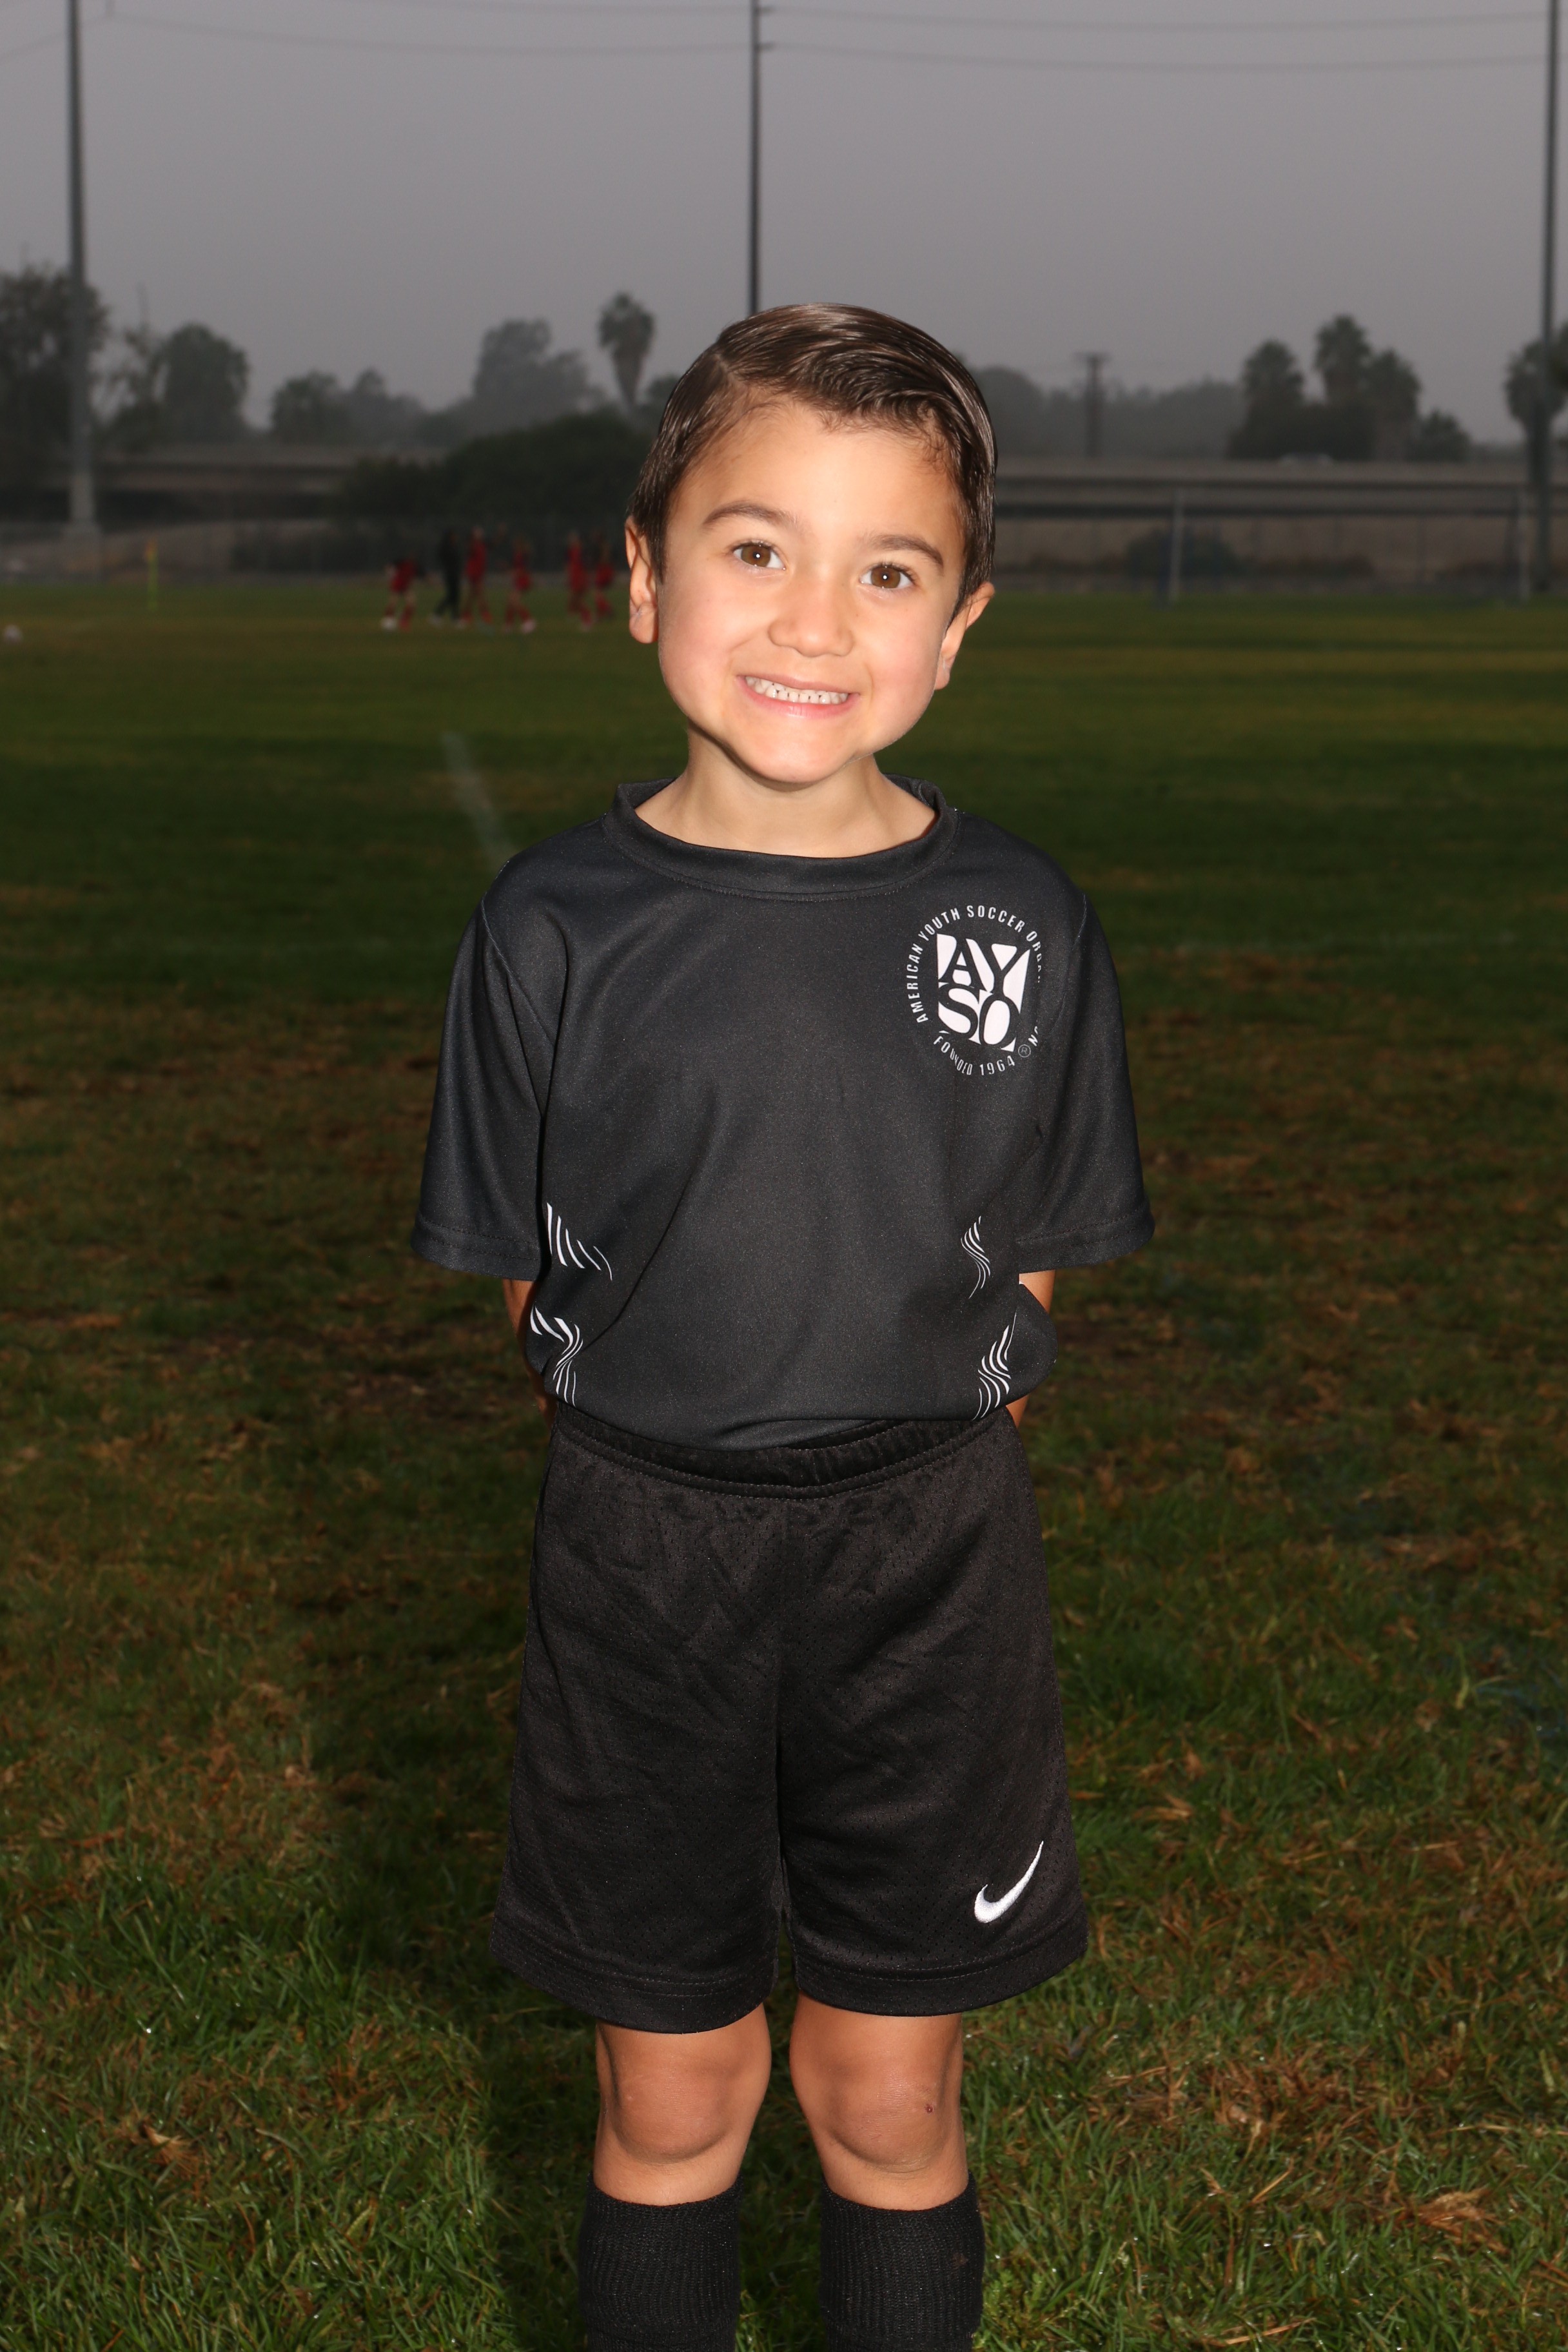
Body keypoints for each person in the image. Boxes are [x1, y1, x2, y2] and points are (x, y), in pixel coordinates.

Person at [411, 304, 1153, 2352]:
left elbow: (1034, 1267)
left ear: (959, 626)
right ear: (644, 577)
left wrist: (887, 1456)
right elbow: (534, 1281)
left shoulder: (1026, 921)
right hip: (642, 1558)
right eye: (756, 547)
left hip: (928, 1565)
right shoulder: (549, 928)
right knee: (672, 2099)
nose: (815, 618)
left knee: (886, 2095)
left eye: (887, 570)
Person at [460, 525, 493, 629]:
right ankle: (484, 615)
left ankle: (467, 615)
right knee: (478, 594)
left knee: (473, 595)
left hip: (479, 573)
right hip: (474, 573)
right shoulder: (473, 545)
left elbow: (492, 544)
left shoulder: (482, 545)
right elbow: (470, 555)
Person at [505, 535, 537, 634]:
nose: (514, 546)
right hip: (519, 580)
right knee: (511, 602)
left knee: (514, 601)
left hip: (523, 580)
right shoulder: (517, 554)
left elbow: (524, 570)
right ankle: (509, 626)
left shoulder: (523, 555)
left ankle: (529, 621)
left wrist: (515, 573)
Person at [431, 524, 462, 623]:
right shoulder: (448, 547)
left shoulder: (453, 546)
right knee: (452, 596)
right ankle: (440, 615)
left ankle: (453, 617)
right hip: (451, 574)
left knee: (454, 596)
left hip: (454, 574)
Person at [382, 551, 418, 632]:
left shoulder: (414, 566)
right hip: (397, 585)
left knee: (412, 604)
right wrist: (390, 577)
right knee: (393, 604)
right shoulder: (402, 562)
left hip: (405, 587)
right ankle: (388, 621)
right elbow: (389, 567)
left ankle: (404, 620)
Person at [565, 529, 592, 629]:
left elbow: (586, 566)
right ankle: (582, 617)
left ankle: (587, 619)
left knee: (578, 600)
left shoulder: (582, 552)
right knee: (575, 600)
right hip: (575, 578)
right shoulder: (571, 551)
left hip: (580, 578)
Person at [591, 532, 614, 625]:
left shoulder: (603, 547)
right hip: (606, 570)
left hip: (604, 570)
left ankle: (607, 609)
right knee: (599, 594)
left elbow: (605, 559)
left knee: (597, 594)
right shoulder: (605, 546)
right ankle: (600, 615)